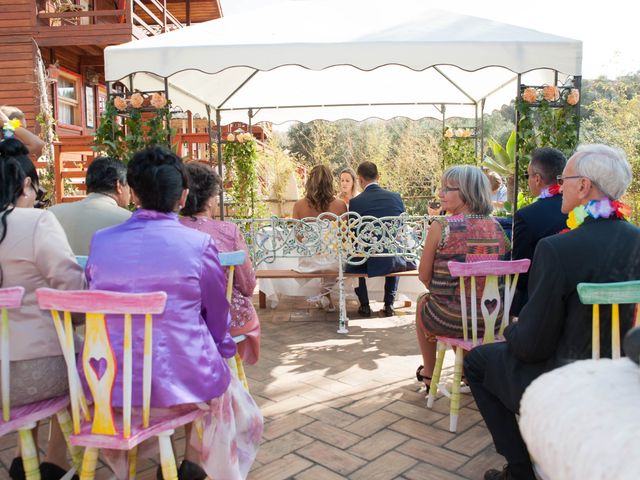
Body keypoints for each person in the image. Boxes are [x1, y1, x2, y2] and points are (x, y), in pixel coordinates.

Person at [464, 144, 640, 480]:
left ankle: (519, 471)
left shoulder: (557, 248)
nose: (559, 185)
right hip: (625, 376)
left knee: (477, 361)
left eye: (565, 179)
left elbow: (532, 346)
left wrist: (510, 328)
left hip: (565, 376)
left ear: (584, 187)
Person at [86, 147, 262, 479]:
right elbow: (215, 317)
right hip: (181, 384)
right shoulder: (198, 246)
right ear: (183, 197)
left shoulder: (101, 241)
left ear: (133, 192)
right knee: (214, 374)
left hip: (108, 379)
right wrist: (222, 352)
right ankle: (193, 462)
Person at [0, 139, 85, 480]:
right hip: (33, 372)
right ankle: (55, 461)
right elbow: (72, 289)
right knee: (81, 359)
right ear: (25, 185)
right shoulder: (35, 221)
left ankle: (26, 455)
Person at [415, 165, 509, 390]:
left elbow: (423, 275)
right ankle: (469, 372)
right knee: (465, 309)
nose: (440, 194)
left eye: (448, 189)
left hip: (449, 318)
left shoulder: (441, 226)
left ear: (466, 192)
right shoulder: (497, 228)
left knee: (423, 302)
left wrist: (442, 292)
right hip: (493, 318)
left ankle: (429, 374)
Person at [180, 162, 261, 365]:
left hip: (181, 319)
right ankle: (227, 371)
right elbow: (248, 286)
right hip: (227, 320)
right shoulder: (228, 231)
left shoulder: (169, 230)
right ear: (210, 200)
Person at [346, 161, 414, 317]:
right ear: (378, 177)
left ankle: (364, 304)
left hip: (368, 257)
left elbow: (354, 231)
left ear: (360, 180)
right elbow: (401, 226)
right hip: (392, 257)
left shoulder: (355, 202)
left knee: (354, 256)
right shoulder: (396, 197)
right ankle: (389, 304)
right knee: (394, 248)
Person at [510, 147, 567, 315]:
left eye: (527, 176)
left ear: (537, 179)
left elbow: (520, 271)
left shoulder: (526, 216)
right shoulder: (581, 209)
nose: (527, 181)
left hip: (537, 302)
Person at [49, 156, 131, 256]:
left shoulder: (52, 214)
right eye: (129, 185)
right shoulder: (128, 220)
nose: (130, 192)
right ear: (118, 186)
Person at [292, 164, 347, 312]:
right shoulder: (340, 205)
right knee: (335, 258)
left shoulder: (298, 205)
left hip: (309, 262)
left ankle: (325, 295)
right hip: (334, 262)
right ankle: (325, 295)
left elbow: (298, 237)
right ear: (330, 182)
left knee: (322, 256)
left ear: (310, 183)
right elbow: (344, 237)